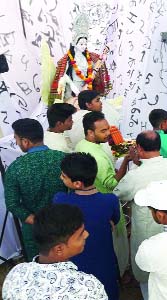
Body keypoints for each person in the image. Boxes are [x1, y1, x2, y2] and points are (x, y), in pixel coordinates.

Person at [113, 130, 167, 299]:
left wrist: (135, 164)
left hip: (147, 230)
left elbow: (118, 193)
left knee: (148, 275)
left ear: (139, 149)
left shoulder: (135, 176)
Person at [2, 204, 107, 300]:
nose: (86, 234)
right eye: (80, 235)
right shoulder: (88, 288)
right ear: (59, 249)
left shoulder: (16, 273)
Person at [53, 153, 120, 300]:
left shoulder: (60, 200)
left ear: (77, 183)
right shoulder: (110, 200)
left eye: (63, 176)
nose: (60, 178)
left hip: (77, 261)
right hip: (104, 259)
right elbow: (114, 220)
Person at [75, 111, 129, 278]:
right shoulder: (97, 155)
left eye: (108, 129)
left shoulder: (81, 145)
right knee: (117, 241)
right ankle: (120, 272)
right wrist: (127, 161)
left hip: (90, 200)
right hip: (105, 199)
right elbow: (112, 183)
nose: (108, 134)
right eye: (103, 131)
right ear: (90, 132)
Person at [5, 119, 66, 260]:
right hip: (64, 224)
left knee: (39, 266)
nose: (17, 143)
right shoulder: (63, 159)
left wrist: (35, 220)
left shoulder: (15, 168)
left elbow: (12, 203)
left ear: (25, 141)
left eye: (17, 140)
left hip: (34, 231)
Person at [49, 13, 111, 102]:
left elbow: (95, 69)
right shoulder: (68, 58)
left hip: (85, 90)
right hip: (72, 91)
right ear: (75, 43)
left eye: (85, 44)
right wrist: (71, 85)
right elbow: (63, 76)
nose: (83, 46)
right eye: (81, 44)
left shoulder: (89, 57)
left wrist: (101, 60)